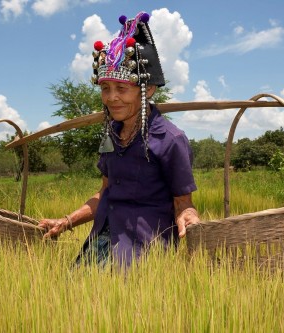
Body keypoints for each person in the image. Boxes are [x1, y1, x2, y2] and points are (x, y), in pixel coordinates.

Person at [39, 11, 200, 267]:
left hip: (143, 253)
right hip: (101, 244)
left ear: (147, 90)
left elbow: (183, 204)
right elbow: (105, 192)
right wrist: (67, 221)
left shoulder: (171, 140)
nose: (112, 97)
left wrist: (189, 216)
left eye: (121, 89)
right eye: (105, 88)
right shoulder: (111, 133)